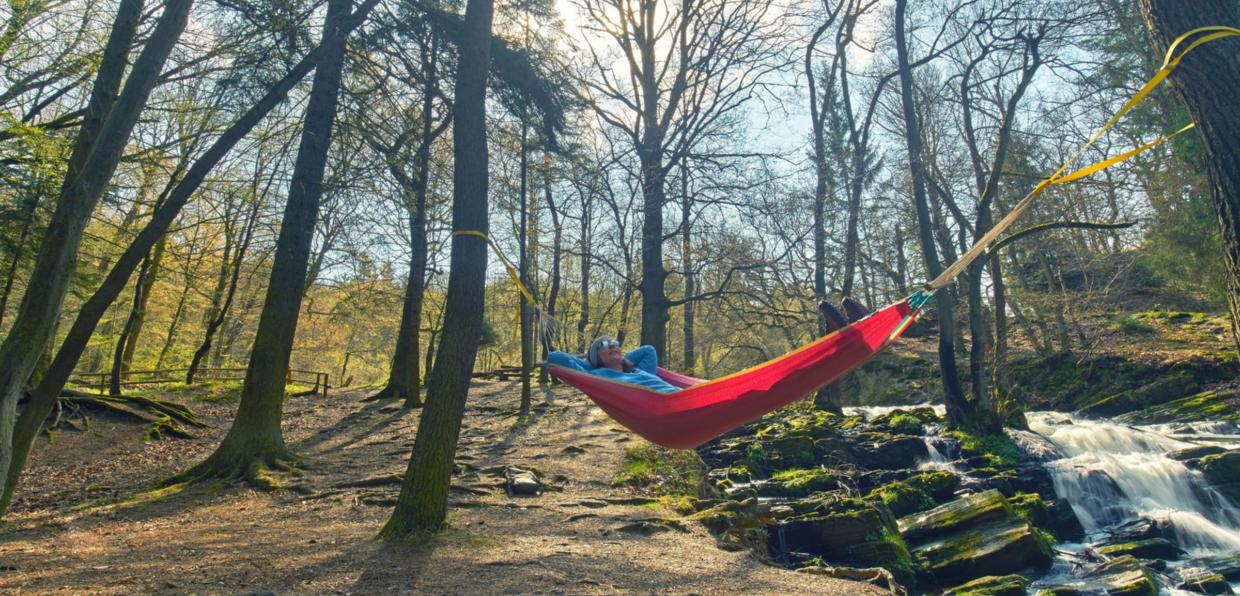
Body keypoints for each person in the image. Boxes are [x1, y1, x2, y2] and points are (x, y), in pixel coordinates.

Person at [545, 335, 680, 393]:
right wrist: (591, 363)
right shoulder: (597, 377)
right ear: (596, 358)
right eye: (603, 345)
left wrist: (621, 359)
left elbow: (648, 350)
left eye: (615, 344)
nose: (611, 346)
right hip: (672, 404)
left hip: (684, 396)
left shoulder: (637, 370)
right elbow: (555, 357)